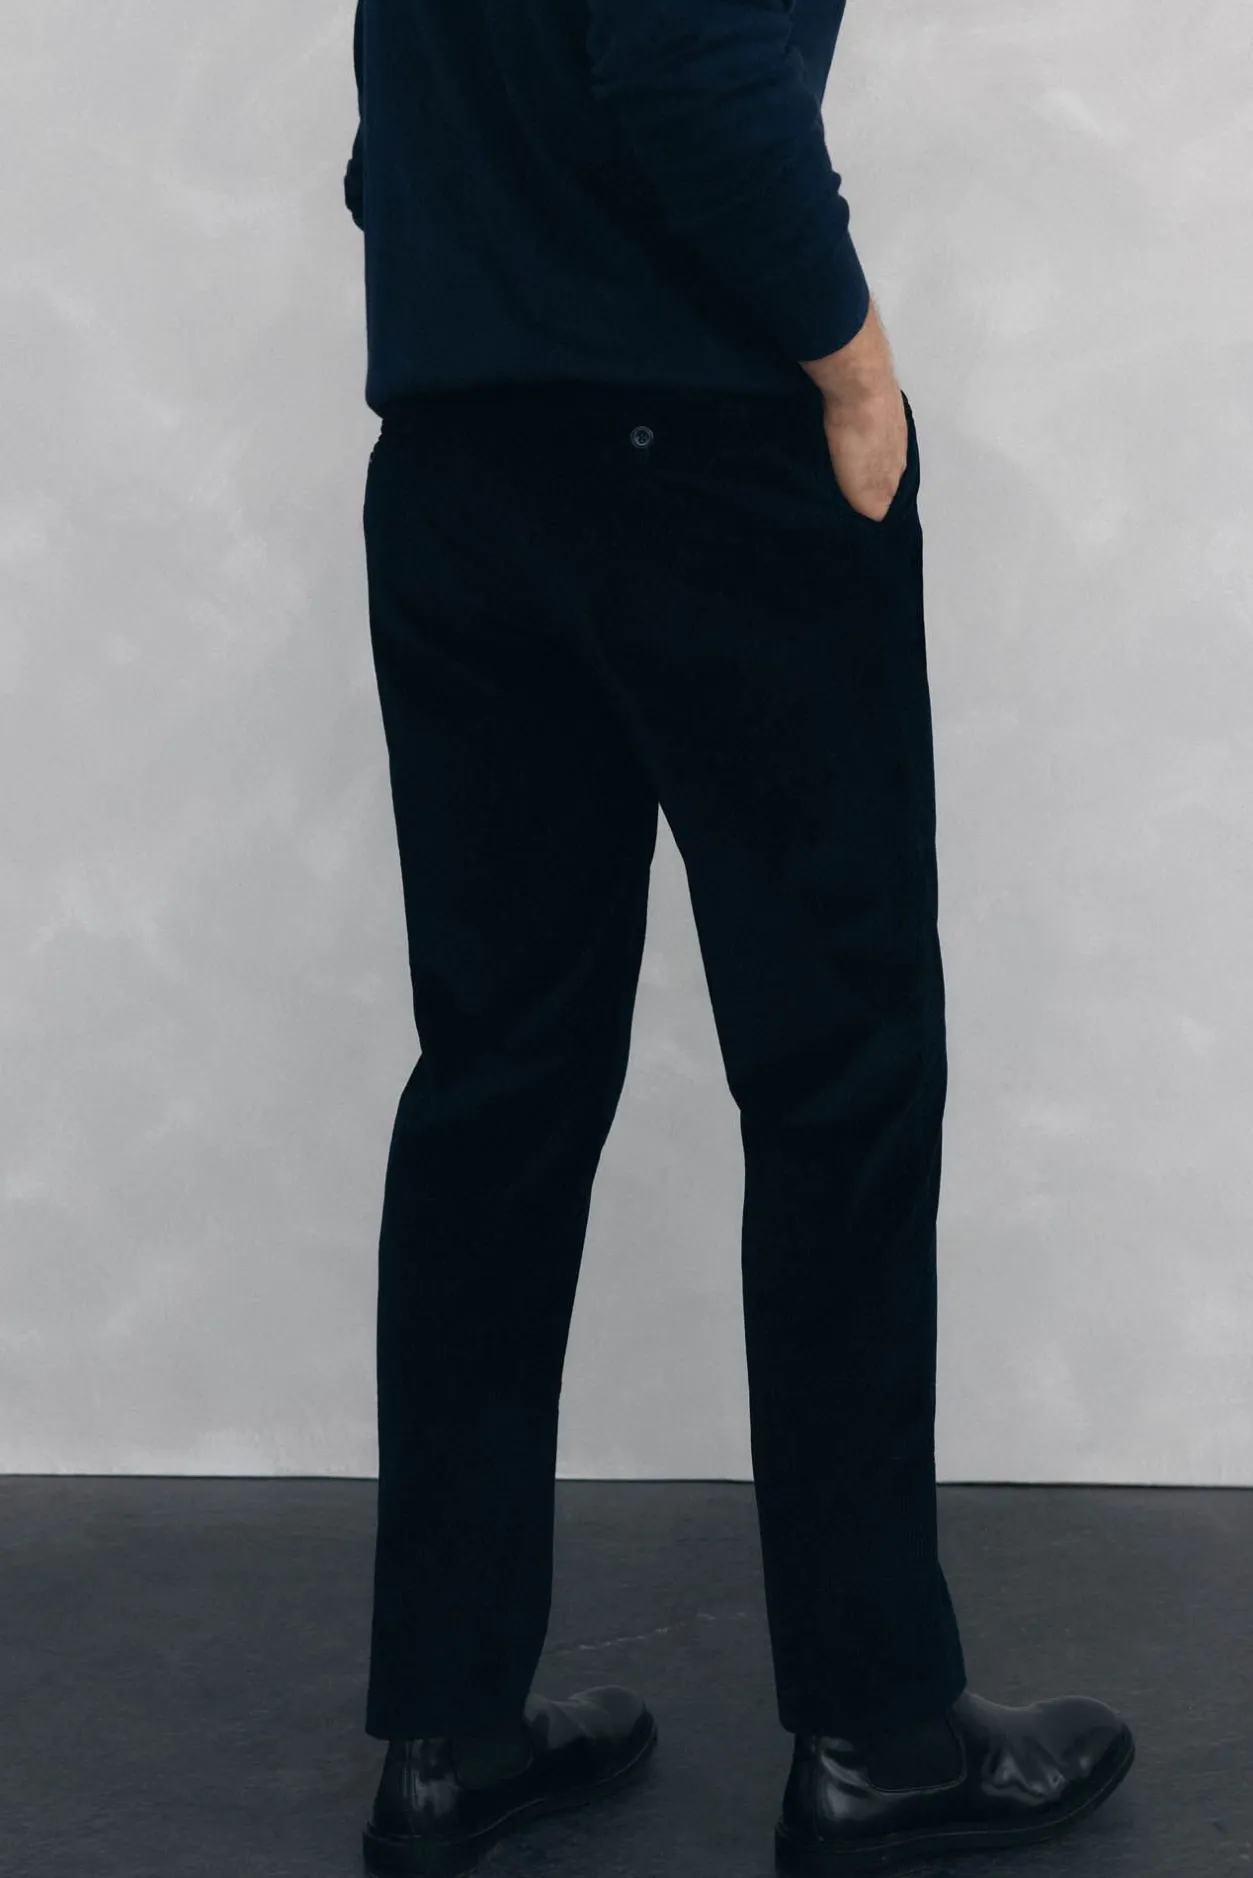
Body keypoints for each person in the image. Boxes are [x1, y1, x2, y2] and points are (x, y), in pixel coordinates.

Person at [342, 3, 1137, 1873]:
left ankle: (450, 1731)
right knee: (841, 1073)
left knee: (497, 1087)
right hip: (703, 458)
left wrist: (494, 277)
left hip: (459, 454)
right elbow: (684, 61)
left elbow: (398, 126)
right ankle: (879, 1730)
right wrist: (857, 375)